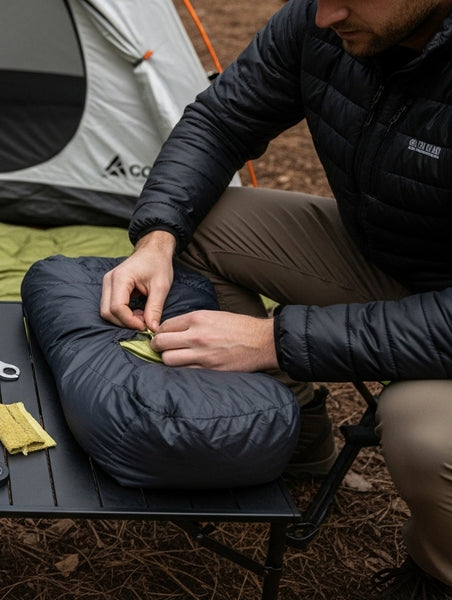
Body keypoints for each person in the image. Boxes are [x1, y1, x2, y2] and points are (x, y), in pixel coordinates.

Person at [100, 0, 452, 597]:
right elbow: (221, 121)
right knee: (200, 223)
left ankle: (436, 571)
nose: (324, 15)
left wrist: (272, 341)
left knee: (425, 437)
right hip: (394, 257)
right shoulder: (325, 24)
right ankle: (295, 433)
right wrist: (157, 237)